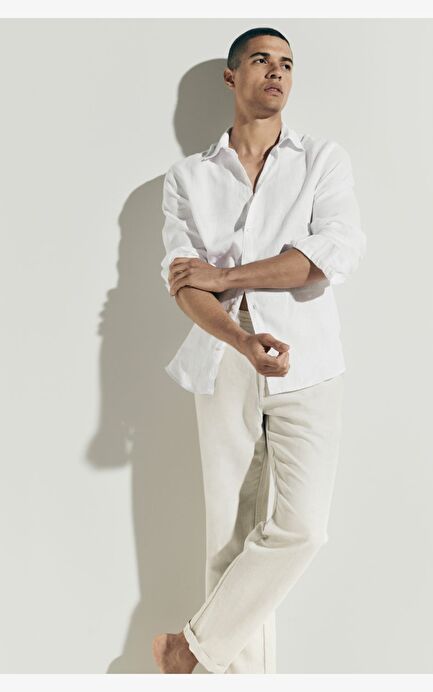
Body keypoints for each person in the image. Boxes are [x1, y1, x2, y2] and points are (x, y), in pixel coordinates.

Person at [152, 26, 366, 674]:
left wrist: (226, 275)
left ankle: (190, 649)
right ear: (231, 76)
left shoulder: (321, 160)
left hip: (310, 360)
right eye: (261, 60)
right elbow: (184, 283)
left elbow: (331, 254)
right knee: (229, 536)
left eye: (287, 64)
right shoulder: (188, 176)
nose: (277, 72)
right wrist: (242, 337)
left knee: (302, 528)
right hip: (224, 358)